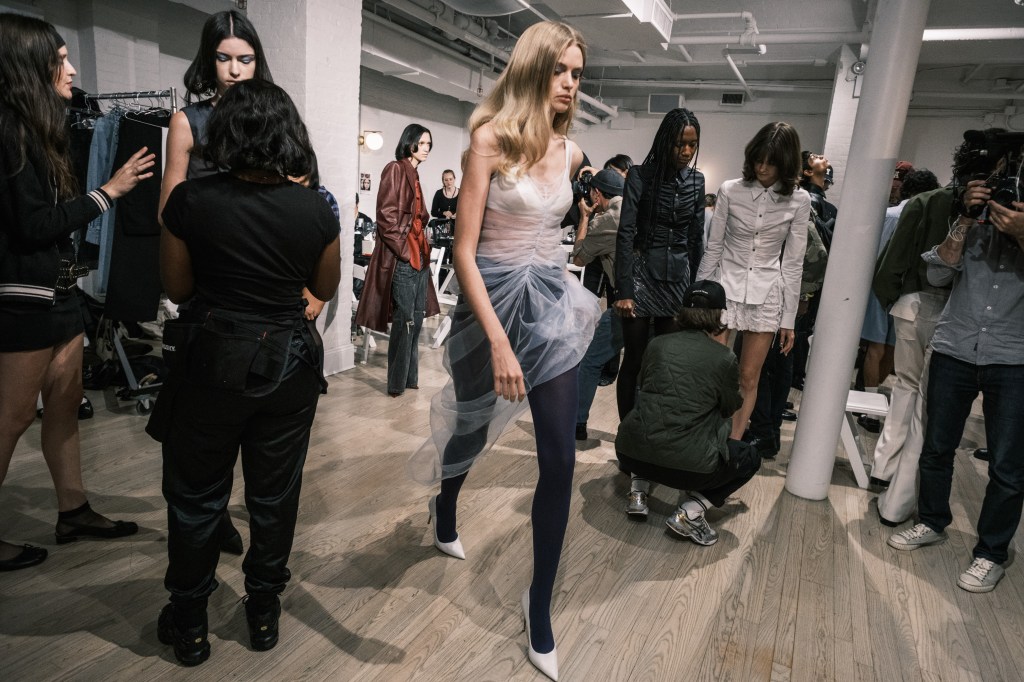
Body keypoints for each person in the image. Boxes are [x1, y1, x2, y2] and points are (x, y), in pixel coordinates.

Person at [407, 21, 599, 681]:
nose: (572, 84)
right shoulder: (487, 138)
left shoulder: (572, 152)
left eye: (578, 72)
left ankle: (538, 603)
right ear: (533, 69)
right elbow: (462, 249)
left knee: (561, 457)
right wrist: (496, 343)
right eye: (562, 70)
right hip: (487, 303)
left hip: (550, 306)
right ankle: (446, 505)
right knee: (469, 426)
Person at [151, 79, 341, 665]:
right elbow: (325, 289)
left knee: (195, 495)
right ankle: (262, 611)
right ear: (289, 134)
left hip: (210, 361)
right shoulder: (315, 208)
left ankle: (190, 622)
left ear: (224, 133)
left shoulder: (190, 201)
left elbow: (176, 288)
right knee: (274, 494)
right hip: (288, 366)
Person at [0, 13, 151, 571]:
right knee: (12, 418)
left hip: (58, 296)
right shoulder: (10, 129)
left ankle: (74, 510)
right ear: (28, 66)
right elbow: (34, 225)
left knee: (63, 407)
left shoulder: (39, 129)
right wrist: (107, 193)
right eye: (60, 58)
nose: (71, 67)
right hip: (23, 298)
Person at [158, 8, 272, 557]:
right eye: (223, 59)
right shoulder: (190, 121)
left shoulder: (273, 118)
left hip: (264, 280)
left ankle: (235, 519)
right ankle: (209, 518)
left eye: (244, 59)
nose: (233, 70)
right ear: (209, 61)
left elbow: (303, 195)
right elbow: (169, 208)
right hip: (207, 282)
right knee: (203, 423)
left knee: (257, 420)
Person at [886, 179, 1024, 594]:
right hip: (954, 346)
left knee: (1007, 465)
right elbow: (938, 271)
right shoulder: (973, 222)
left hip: (1014, 357)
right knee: (937, 446)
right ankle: (930, 521)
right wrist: (965, 217)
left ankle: (991, 553)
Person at [616, 280, 760, 544]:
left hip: (629, 453)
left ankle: (638, 489)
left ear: (682, 310)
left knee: (651, 420)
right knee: (749, 457)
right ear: (718, 315)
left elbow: (643, 386)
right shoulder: (723, 358)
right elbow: (729, 408)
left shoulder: (657, 344)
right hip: (690, 469)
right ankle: (690, 512)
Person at [697, 122, 809, 442]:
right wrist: (698, 298)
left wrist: (788, 319)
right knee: (714, 369)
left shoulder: (799, 201)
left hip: (767, 293)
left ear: (785, 164)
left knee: (748, 377)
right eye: (758, 159)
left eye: (771, 162)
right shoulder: (731, 190)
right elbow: (714, 247)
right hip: (726, 286)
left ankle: (731, 444)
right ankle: (703, 437)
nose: (762, 167)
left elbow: (793, 263)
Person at [613, 108, 705, 419]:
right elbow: (625, 233)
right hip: (640, 277)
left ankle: (654, 433)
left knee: (667, 363)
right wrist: (623, 289)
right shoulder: (640, 175)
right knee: (635, 359)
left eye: (692, 144)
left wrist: (694, 293)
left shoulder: (697, 180)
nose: (687, 151)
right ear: (665, 141)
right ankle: (628, 435)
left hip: (678, 280)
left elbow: (696, 239)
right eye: (681, 144)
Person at [355, 123, 441, 397]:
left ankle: (409, 378)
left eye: (429, 144)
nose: (427, 148)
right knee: (405, 320)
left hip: (419, 257)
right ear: (411, 142)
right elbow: (386, 217)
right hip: (405, 258)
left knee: (416, 319)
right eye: (423, 143)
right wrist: (406, 252)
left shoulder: (413, 174)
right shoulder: (395, 168)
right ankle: (396, 383)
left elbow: (415, 218)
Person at [857, 168, 939, 434]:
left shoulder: (888, 214)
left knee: (876, 348)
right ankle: (873, 402)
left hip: (878, 285)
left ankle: (869, 405)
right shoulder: (929, 218)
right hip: (909, 290)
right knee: (892, 350)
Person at [571, 169, 625, 441]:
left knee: (590, 361)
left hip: (627, 306)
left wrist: (584, 217)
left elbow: (579, 257)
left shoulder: (607, 218)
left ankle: (577, 424)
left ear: (596, 194)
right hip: (659, 303)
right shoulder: (636, 211)